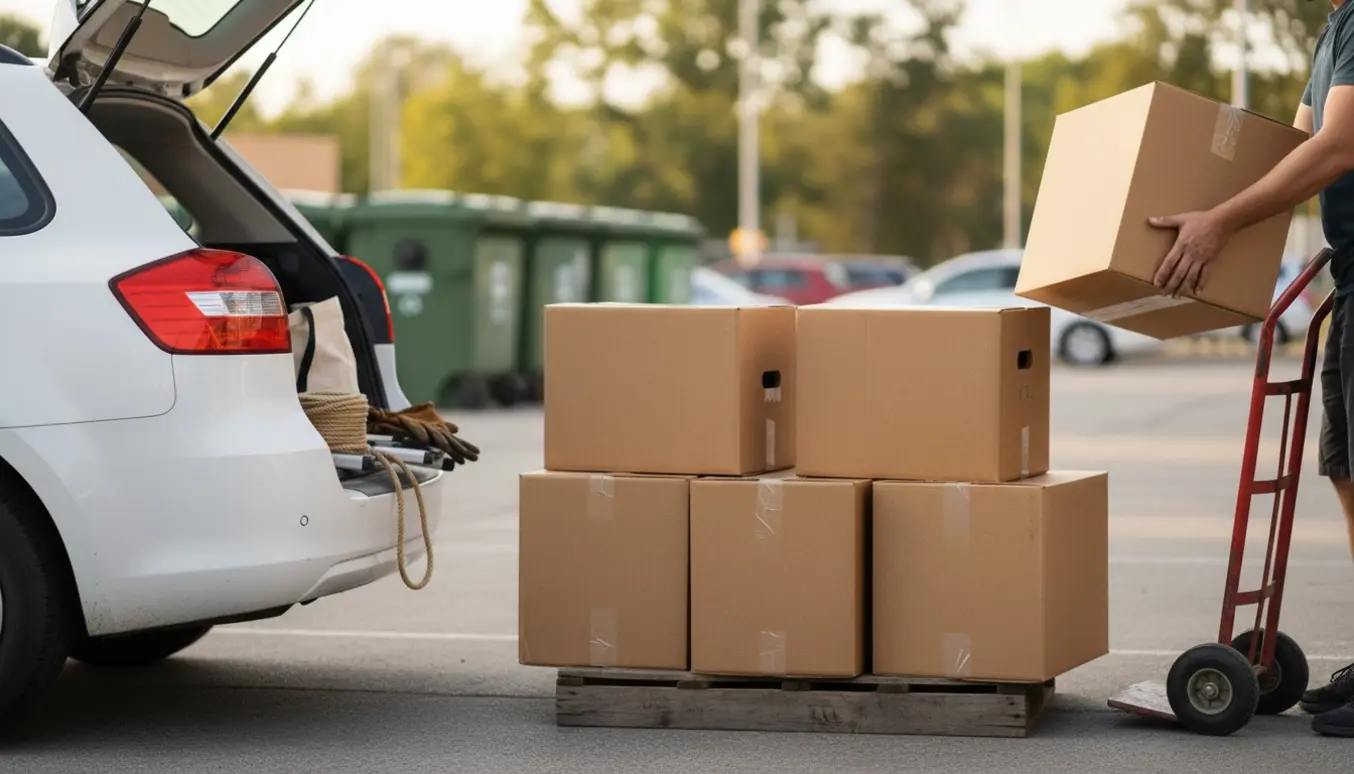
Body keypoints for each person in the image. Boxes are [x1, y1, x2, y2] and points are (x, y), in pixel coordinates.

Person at [1149, 0, 1354, 737]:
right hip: (1350, 277)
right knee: (1344, 467)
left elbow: (1339, 147)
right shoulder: (1335, 27)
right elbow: (1291, 153)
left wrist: (1221, 223)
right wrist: (1193, 196)